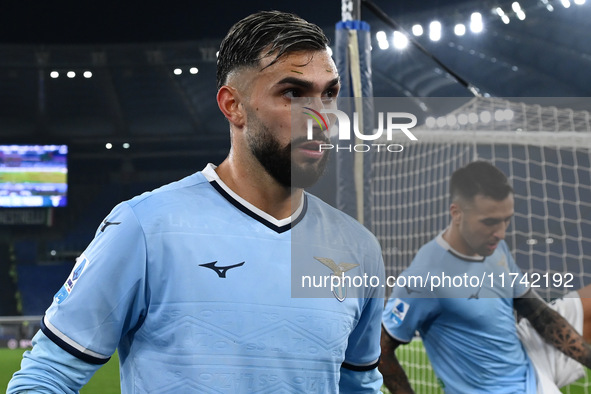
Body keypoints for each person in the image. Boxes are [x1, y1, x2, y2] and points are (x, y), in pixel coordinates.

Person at [8, 11, 385, 393]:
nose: (321, 117)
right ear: (232, 105)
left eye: (329, 94)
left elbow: (359, 385)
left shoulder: (357, 248)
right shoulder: (145, 227)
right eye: (292, 93)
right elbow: (45, 378)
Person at [379, 160, 591, 393]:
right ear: (456, 213)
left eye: (506, 220)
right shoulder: (425, 277)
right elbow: (381, 349)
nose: (501, 233)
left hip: (525, 357)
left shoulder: (494, 247)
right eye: (489, 222)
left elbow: (539, 314)